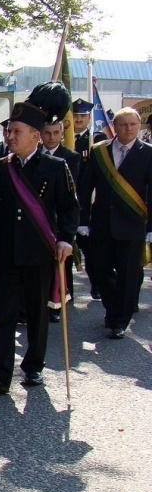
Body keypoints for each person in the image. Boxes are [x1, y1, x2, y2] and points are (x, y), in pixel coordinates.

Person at [0, 102, 79, 394]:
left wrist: (66, 239)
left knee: (36, 314)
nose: (10, 136)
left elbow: (69, 208)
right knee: (3, 315)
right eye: (9, 131)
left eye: (17, 131)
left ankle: (33, 366)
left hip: (39, 255)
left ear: (35, 135)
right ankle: (1, 374)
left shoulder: (56, 168)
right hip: (6, 255)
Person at [78, 107, 152, 339]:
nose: (128, 129)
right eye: (123, 124)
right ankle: (113, 309)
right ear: (115, 126)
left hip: (133, 224)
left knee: (129, 275)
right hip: (101, 224)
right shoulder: (100, 151)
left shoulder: (148, 153)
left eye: (132, 124)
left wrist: (150, 229)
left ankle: (120, 319)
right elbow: (85, 187)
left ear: (139, 126)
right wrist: (82, 219)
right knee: (99, 271)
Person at [40, 120, 81, 322]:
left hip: (59, 217)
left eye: (56, 132)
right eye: (47, 132)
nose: (51, 137)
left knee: (62, 261)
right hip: (39, 215)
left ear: (62, 134)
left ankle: (59, 300)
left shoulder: (70, 157)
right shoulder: (34, 155)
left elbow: (69, 189)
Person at [72, 98, 109, 300]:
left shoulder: (97, 140)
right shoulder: (62, 138)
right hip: (67, 199)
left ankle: (97, 284)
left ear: (88, 118)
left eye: (82, 117)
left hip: (88, 201)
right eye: (75, 116)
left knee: (92, 250)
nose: (78, 120)